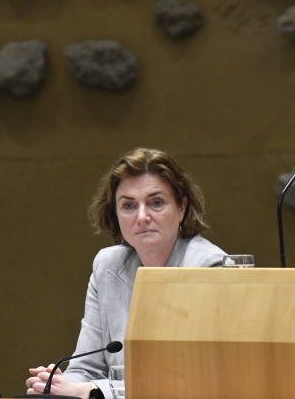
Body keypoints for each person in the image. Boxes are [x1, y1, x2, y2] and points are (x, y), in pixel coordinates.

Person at [24, 148, 227, 399]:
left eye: (156, 203)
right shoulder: (107, 266)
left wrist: (91, 392)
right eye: (129, 205)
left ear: (182, 208)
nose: (142, 217)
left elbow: (182, 382)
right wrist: (56, 384)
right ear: (116, 213)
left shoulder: (207, 267)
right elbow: (86, 369)